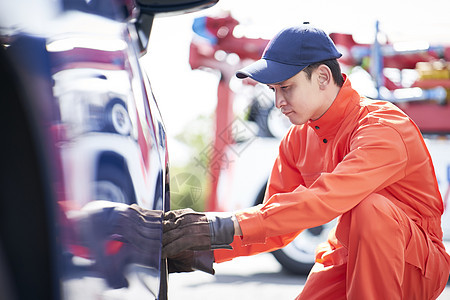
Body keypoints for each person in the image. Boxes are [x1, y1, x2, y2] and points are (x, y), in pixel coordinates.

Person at [162, 23, 450, 299]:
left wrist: (220, 225)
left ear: (323, 77)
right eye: (273, 90)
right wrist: (200, 249)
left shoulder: (382, 128)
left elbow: (326, 199)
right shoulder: (297, 139)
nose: (278, 102)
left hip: (415, 264)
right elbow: (276, 224)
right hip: (350, 254)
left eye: (286, 88)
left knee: (369, 209)